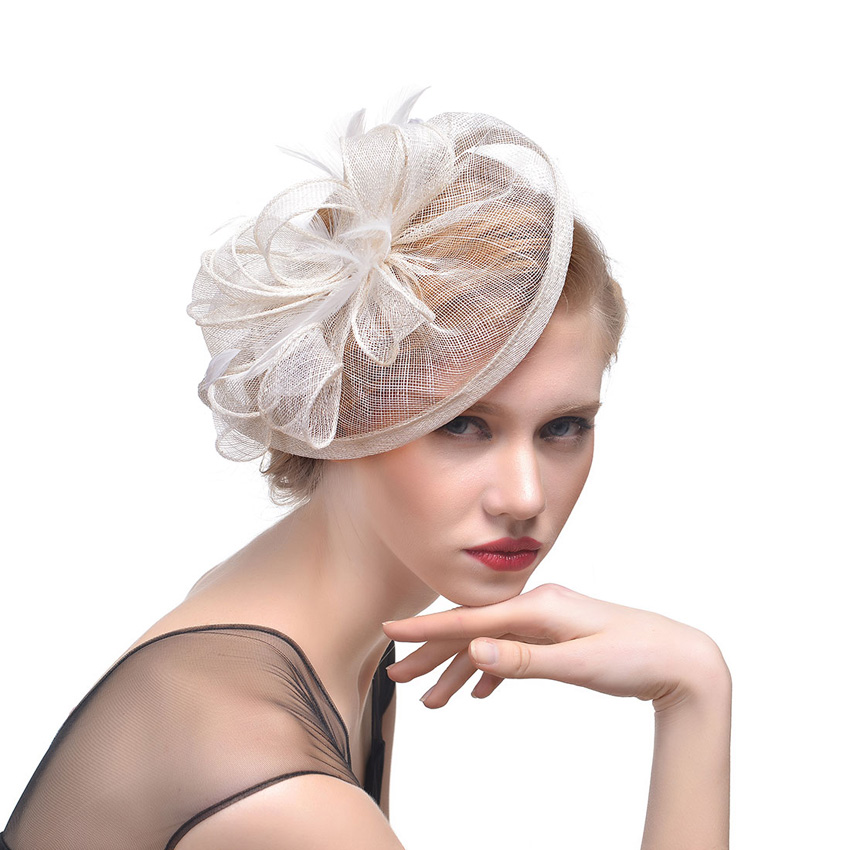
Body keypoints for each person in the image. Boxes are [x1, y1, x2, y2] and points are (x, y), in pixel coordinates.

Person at [1, 95, 731, 850]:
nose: (524, 497)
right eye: (462, 425)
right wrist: (693, 692)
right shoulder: (270, 777)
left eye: (564, 428)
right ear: (344, 409)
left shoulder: (314, 631)